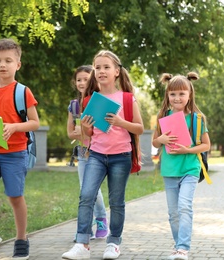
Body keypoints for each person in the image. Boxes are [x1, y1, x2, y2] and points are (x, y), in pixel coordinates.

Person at [62, 50, 144, 260]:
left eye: (106, 67)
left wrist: (120, 122)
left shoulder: (127, 98)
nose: (101, 71)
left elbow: (139, 128)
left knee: (117, 202)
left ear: (117, 71)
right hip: (96, 155)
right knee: (86, 196)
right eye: (97, 67)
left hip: (121, 157)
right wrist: (86, 128)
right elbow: (87, 133)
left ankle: (113, 243)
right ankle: (82, 244)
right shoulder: (90, 100)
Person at [0, 38, 39, 259]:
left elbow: (35, 123)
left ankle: (21, 239)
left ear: (18, 64)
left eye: (8, 60)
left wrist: (14, 126)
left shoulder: (23, 92)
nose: (2, 65)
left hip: (14, 154)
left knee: (15, 197)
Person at [152, 72, 210, 260]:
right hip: (169, 171)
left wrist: (187, 149)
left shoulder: (197, 118)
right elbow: (154, 143)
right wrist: (160, 139)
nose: (177, 98)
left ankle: (183, 248)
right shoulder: (163, 115)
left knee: (184, 206)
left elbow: (206, 145)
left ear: (189, 95)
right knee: (173, 213)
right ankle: (178, 247)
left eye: (181, 94)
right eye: (173, 94)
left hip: (190, 169)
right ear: (168, 96)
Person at [66, 65, 108, 240]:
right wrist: (78, 132)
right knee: (86, 190)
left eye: (86, 79)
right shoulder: (74, 105)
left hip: (98, 151)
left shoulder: (99, 102)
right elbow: (70, 133)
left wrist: (86, 130)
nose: (82, 82)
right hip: (83, 152)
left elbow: (105, 129)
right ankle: (92, 225)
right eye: (79, 80)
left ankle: (99, 221)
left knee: (91, 189)